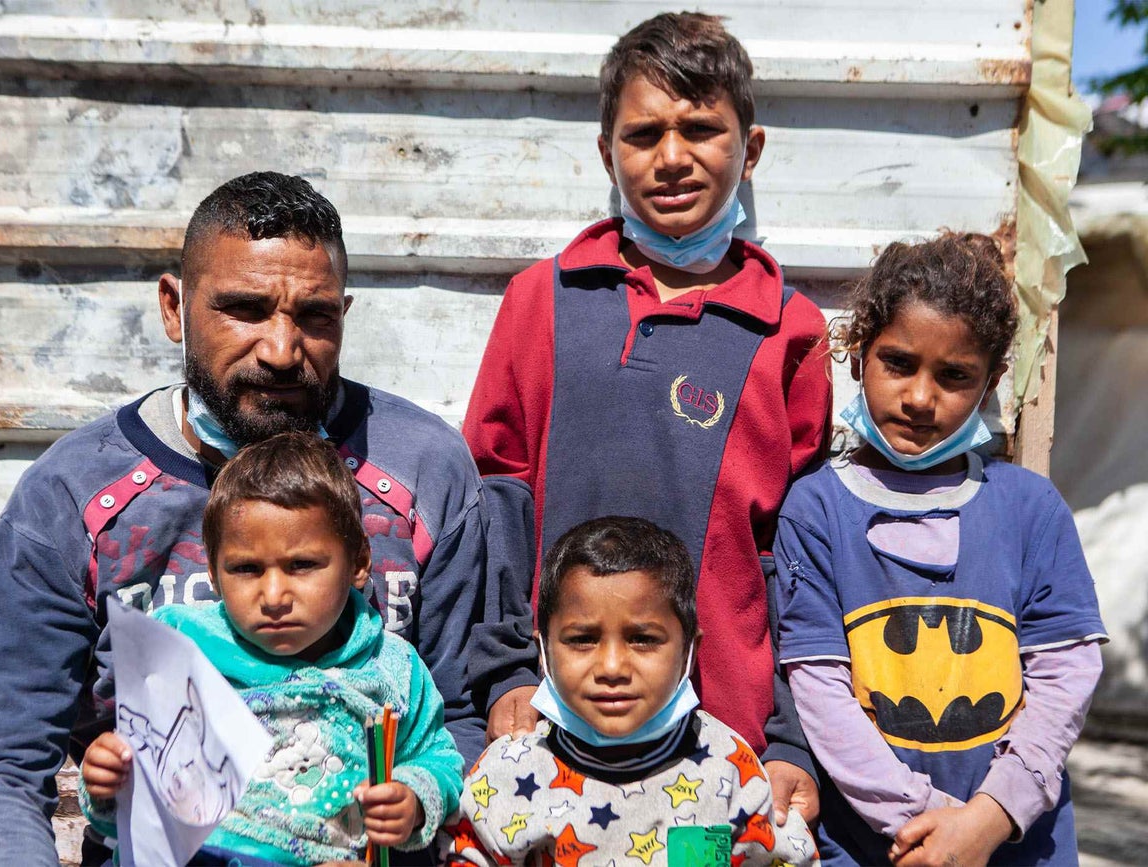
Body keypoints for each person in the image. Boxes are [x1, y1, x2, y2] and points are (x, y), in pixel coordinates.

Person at [0, 172, 488, 866]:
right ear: (174, 307)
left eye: (315, 316)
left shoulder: (427, 471)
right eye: (244, 308)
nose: (281, 349)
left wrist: (417, 805)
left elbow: (461, 722)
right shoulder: (70, 496)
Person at [463, 11, 830, 823]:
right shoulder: (543, 300)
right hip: (553, 741)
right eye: (643, 134)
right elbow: (495, 506)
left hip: (719, 747)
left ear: (752, 149)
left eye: (702, 129)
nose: (672, 158)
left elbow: (802, 559)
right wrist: (507, 674)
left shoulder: (788, 329)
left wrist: (790, 737)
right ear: (606, 152)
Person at [774, 233, 1107, 866]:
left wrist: (989, 820)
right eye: (898, 362)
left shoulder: (1030, 511)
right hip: (872, 847)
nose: (921, 398)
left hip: (1017, 844)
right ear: (855, 354)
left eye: (954, 376)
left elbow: (1065, 680)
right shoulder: (815, 511)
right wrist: (925, 821)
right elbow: (819, 691)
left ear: (992, 382)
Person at [80, 432, 463, 866]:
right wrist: (107, 781)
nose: (274, 595)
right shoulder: (179, 650)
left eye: (302, 565)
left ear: (357, 563)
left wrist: (411, 799)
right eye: (246, 569)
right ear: (214, 571)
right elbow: (135, 804)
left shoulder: (390, 668)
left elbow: (438, 759)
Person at [442, 517, 816, 866]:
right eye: (583, 640)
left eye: (642, 640)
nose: (612, 668)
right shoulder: (506, 774)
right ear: (543, 652)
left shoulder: (731, 770)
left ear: (690, 649)